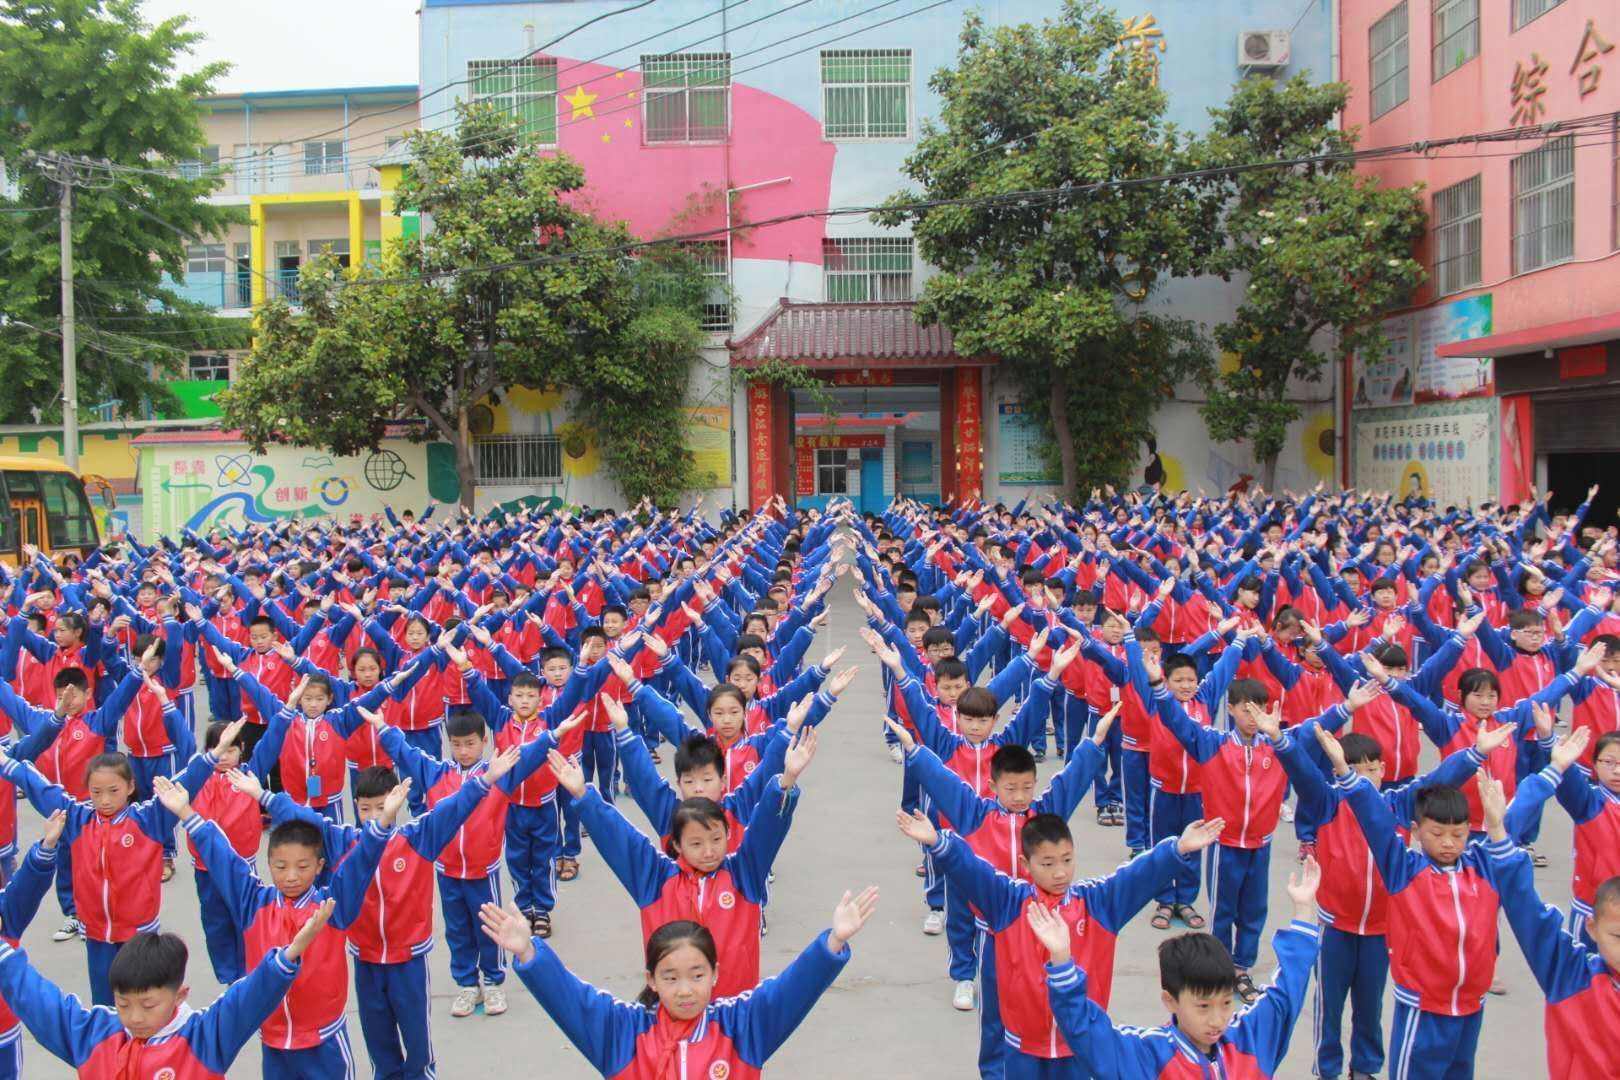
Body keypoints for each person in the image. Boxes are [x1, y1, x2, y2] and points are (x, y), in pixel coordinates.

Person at [227, 736, 528, 1080]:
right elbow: (303, 816)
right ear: (355, 805)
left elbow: (454, 807)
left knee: (416, 1038)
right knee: (378, 1038)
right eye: (366, 808)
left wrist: (486, 779)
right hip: (366, 959)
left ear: (397, 800)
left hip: (408, 959)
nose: (375, 816)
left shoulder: (417, 837)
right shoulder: (344, 841)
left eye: (383, 806)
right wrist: (262, 795)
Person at [1265, 697, 1514, 1080]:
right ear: (1340, 772)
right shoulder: (1330, 802)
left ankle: (1364, 1067)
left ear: (1384, 769)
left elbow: (1439, 780)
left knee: (1369, 1004)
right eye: (1356, 770)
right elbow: (1302, 772)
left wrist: (1475, 754)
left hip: (1382, 929)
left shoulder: (1398, 805)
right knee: (1329, 1006)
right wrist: (1279, 739)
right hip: (1337, 927)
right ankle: (1327, 1068)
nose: (1366, 777)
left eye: (1372, 769)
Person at [895, 805, 1224, 1078]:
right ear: (1026, 865)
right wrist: (939, 842)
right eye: (1048, 864)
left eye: (1067, 860)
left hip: (1079, 1045)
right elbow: (972, 869)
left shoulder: (1098, 904)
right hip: (1022, 1044)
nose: (1060, 873)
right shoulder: (1008, 902)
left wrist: (1177, 849)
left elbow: (1136, 876)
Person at [888, 709, 1111, 1077]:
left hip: (1044, 934)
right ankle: (993, 1072)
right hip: (996, 933)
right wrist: (914, 750)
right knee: (994, 1016)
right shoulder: (976, 814)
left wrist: (1095, 742)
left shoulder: (1042, 815)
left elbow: (1071, 780)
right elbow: (944, 781)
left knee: (1043, 1008)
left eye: (1027, 787)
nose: (1021, 796)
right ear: (993, 786)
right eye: (1011, 788)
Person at [159, 773, 405, 1079]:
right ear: (268, 863)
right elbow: (224, 859)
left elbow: (360, 864)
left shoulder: (332, 907)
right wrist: (186, 813)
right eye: (280, 867)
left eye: (302, 867)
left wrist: (381, 826)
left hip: (324, 1041)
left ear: (319, 866)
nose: (291, 876)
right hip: (274, 1041)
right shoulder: (253, 903)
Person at [485, 886, 878, 1078]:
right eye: (670, 977)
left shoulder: (741, 1026)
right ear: (651, 980)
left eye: (697, 975)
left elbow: (790, 991)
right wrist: (528, 954)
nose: (685, 990)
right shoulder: (624, 1032)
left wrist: (833, 942)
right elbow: (572, 999)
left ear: (716, 975)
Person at [551, 725, 810, 999]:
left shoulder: (743, 875)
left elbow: (766, 829)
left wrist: (787, 781)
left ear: (728, 835)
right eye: (696, 843)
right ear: (676, 845)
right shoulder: (657, 881)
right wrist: (584, 796)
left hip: (732, 1016)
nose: (708, 851)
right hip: (673, 1012)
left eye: (716, 840)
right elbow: (622, 840)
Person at [0, 670, 192, 1006]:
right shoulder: (80, 816)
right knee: (106, 1005)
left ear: (130, 789)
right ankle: (73, 914)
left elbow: (190, 771)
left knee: (142, 998)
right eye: (98, 792)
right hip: (95, 922)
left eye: (113, 791)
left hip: (136, 929)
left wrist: (211, 754)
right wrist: (9, 763)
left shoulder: (145, 819)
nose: (104, 799)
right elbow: (37, 781)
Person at [1032, 858, 1323, 1078]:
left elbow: (1288, 990)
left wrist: (1304, 911)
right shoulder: (1147, 1056)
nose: (1217, 1020)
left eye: (1225, 1003)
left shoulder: (1250, 1036)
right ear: (1169, 1000)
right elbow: (1087, 1032)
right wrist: (1061, 959)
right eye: (1203, 1007)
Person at [0, 901, 335, 1079]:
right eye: (123, 1003)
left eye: (148, 1005)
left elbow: (248, 999)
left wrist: (289, 955)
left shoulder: (204, 1038)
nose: (134, 1017)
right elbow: (39, 1000)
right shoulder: (95, 1035)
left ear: (180, 995)